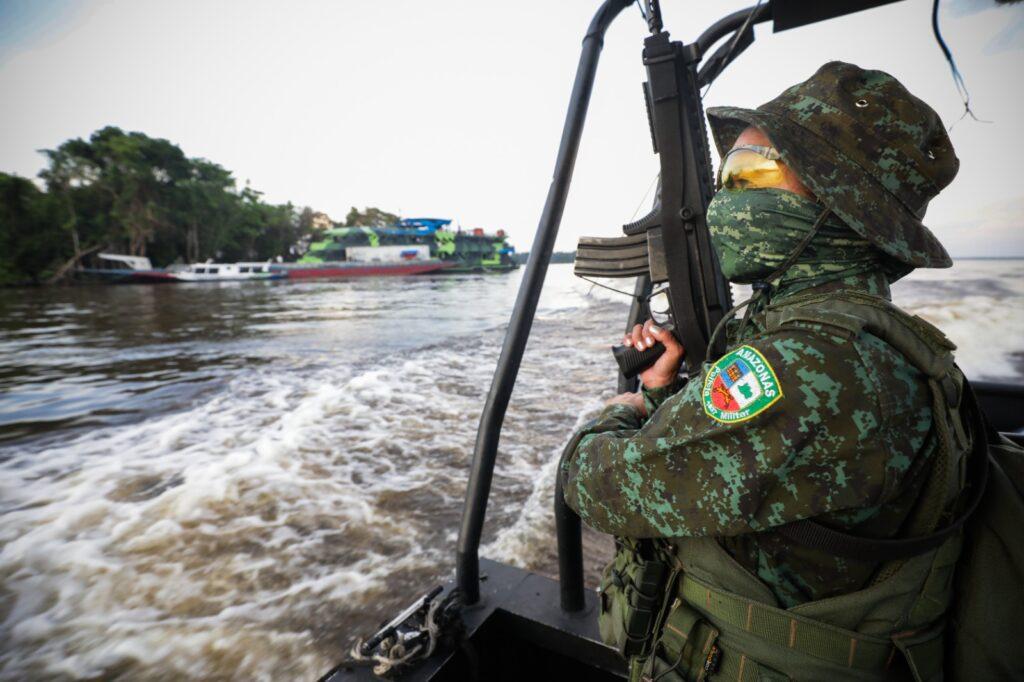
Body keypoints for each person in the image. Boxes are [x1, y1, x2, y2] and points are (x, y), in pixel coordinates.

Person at [561, 61, 973, 680]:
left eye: (751, 172)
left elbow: (597, 485)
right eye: (729, 173)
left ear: (843, 206)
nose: (726, 196)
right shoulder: (858, 336)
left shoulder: (813, 366)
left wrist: (626, 412)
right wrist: (666, 386)